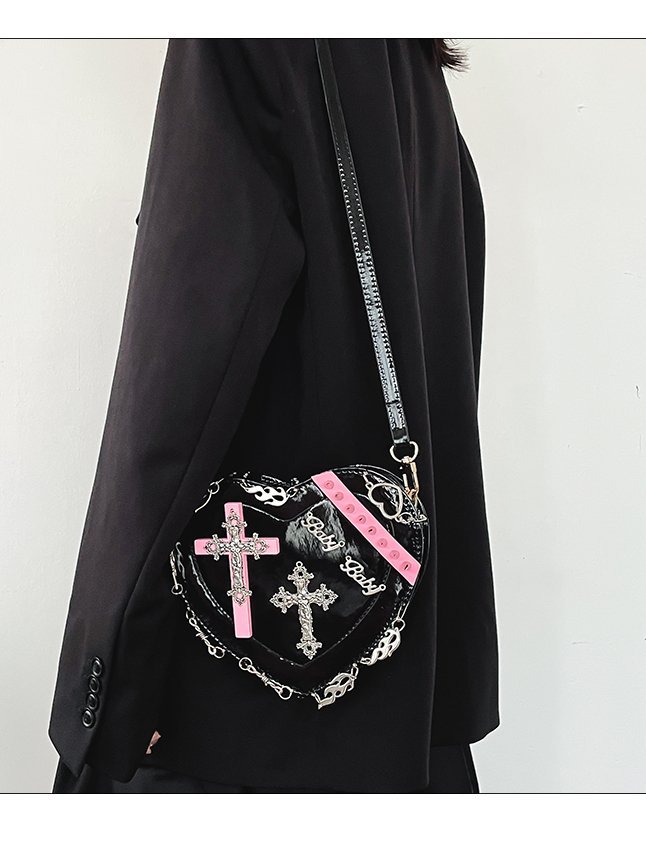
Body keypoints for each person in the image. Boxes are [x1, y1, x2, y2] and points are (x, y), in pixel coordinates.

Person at [49, 38, 499, 794]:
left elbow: (180, 374)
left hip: (232, 698)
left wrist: (112, 681)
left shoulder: (241, 41)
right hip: (397, 677)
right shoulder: (410, 66)